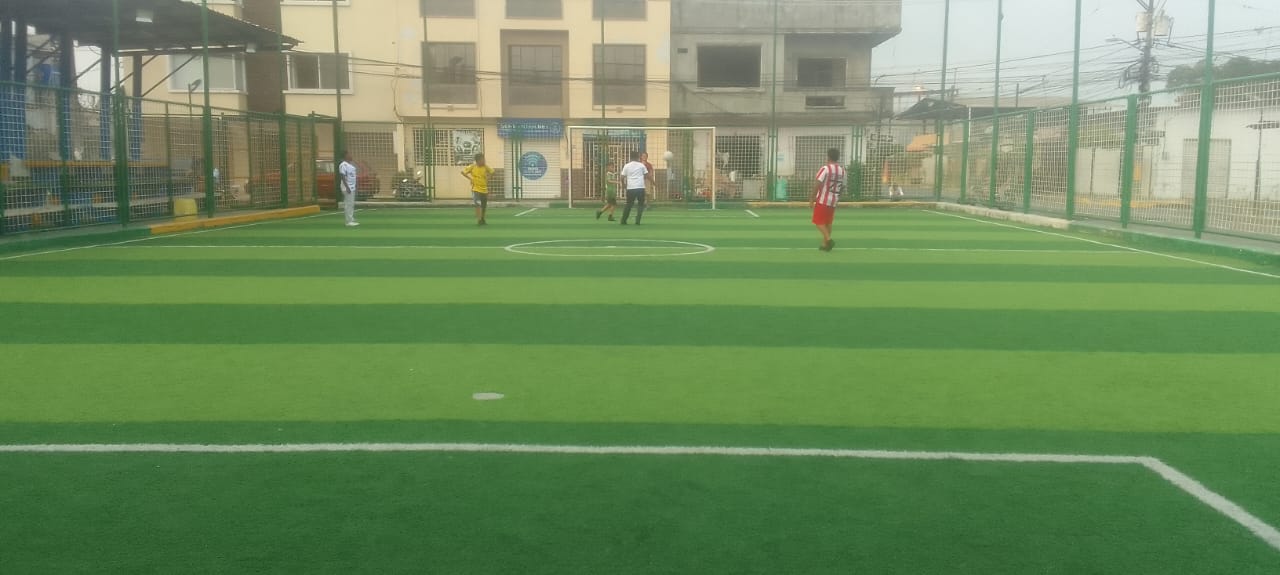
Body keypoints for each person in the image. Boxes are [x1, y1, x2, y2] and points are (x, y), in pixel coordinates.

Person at [810, 147, 846, 251]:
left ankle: (829, 240)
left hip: (823, 199)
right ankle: (825, 245)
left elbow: (818, 183)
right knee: (828, 222)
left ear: (828, 157)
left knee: (818, 222)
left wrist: (812, 198)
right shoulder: (842, 171)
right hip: (834, 200)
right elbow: (843, 186)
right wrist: (837, 197)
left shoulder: (825, 169)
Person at [462, 153, 494, 226]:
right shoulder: (472, 166)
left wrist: (488, 178)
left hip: (484, 189)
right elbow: (463, 172)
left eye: (484, 159)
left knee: (484, 206)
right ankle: (479, 220)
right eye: (482, 160)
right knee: (478, 204)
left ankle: (483, 219)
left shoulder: (485, 167)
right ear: (478, 161)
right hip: (476, 189)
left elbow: (492, 172)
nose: (484, 161)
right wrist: (470, 179)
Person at [619, 150, 648, 226]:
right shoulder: (641, 165)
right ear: (638, 157)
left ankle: (623, 220)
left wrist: (623, 184)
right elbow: (646, 175)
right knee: (640, 204)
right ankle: (638, 220)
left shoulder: (627, 166)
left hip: (631, 188)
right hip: (640, 187)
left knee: (629, 204)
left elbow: (622, 177)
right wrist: (642, 180)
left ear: (630, 157)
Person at [338, 151, 359, 227]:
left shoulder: (350, 165)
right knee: (348, 204)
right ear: (346, 156)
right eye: (349, 154)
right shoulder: (343, 165)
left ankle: (351, 218)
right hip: (347, 187)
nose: (351, 155)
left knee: (351, 204)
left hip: (351, 187)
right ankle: (348, 221)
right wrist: (347, 187)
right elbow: (342, 176)